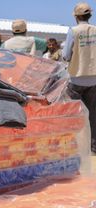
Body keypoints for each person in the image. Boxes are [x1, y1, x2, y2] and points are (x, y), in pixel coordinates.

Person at [62, 2, 96, 153]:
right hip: (94, 80)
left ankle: (76, 147)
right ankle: (93, 146)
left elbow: (65, 55)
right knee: (93, 114)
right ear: (89, 15)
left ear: (76, 17)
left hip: (76, 79)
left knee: (74, 114)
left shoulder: (73, 31)